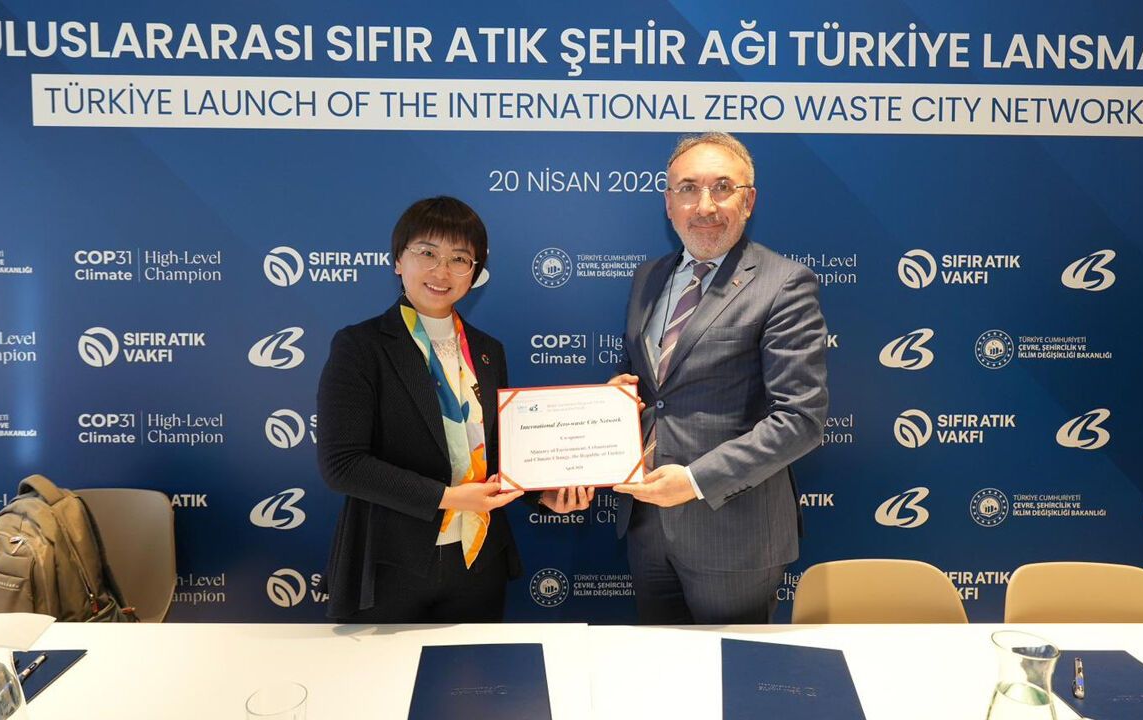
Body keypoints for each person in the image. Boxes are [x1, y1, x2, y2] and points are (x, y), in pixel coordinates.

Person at [317, 196, 591, 623]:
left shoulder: (487, 350)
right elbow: (343, 466)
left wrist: (543, 495)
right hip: (392, 564)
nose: (441, 271)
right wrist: (448, 499)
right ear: (398, 260)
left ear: (475, 273)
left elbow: (496, 454)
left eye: (459, 259)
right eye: (427, 253)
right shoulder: (361, 346)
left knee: (476, 667)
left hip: (478, 563)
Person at [609, 133, 829, 624]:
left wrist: (694, 481)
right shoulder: (648, 277)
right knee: (659, 662)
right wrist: (615, 402)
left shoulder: (784, 283)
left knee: (732, 666)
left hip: (734, 533)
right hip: (647, 527)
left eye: (722, 187)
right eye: (688, 189)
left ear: (748, 201)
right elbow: (656, 389)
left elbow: (800, 420)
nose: (704, 205)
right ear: (669, 203)